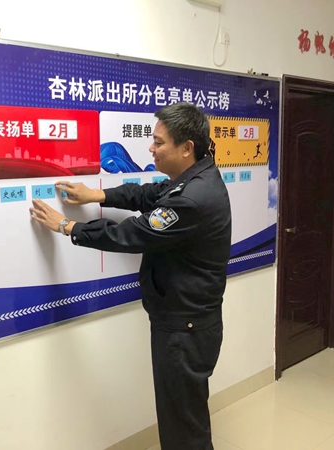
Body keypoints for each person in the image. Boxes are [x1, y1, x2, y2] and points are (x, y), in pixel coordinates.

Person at [30, 103, 231, 449]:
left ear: (187, 148)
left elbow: (133, 234)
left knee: (183, 424)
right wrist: (99, 194)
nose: (151, 148)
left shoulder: (193, 198)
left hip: (184, 329)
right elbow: (149, 194)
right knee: (182, 415)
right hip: (188, 322)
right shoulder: (197, 177)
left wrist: (69, 226)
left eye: (159, 142)